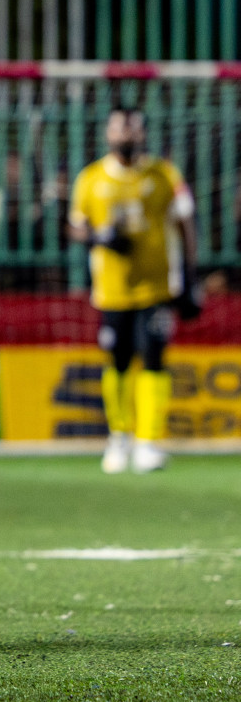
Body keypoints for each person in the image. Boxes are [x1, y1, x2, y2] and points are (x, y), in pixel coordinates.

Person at [69, 108, 200, 475]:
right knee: (119, 360)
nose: (125, 134)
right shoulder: (91, 178)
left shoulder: (164, 174)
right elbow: (76, 226)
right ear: (108, 133)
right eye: (118, 127)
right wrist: (98, 237)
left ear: (142, 133)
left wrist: (191, 275)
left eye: (131, 127)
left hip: (157, 286)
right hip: (111, 287)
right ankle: (119, 436)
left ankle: (148, 442)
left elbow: (186, 221)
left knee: (155, 358)